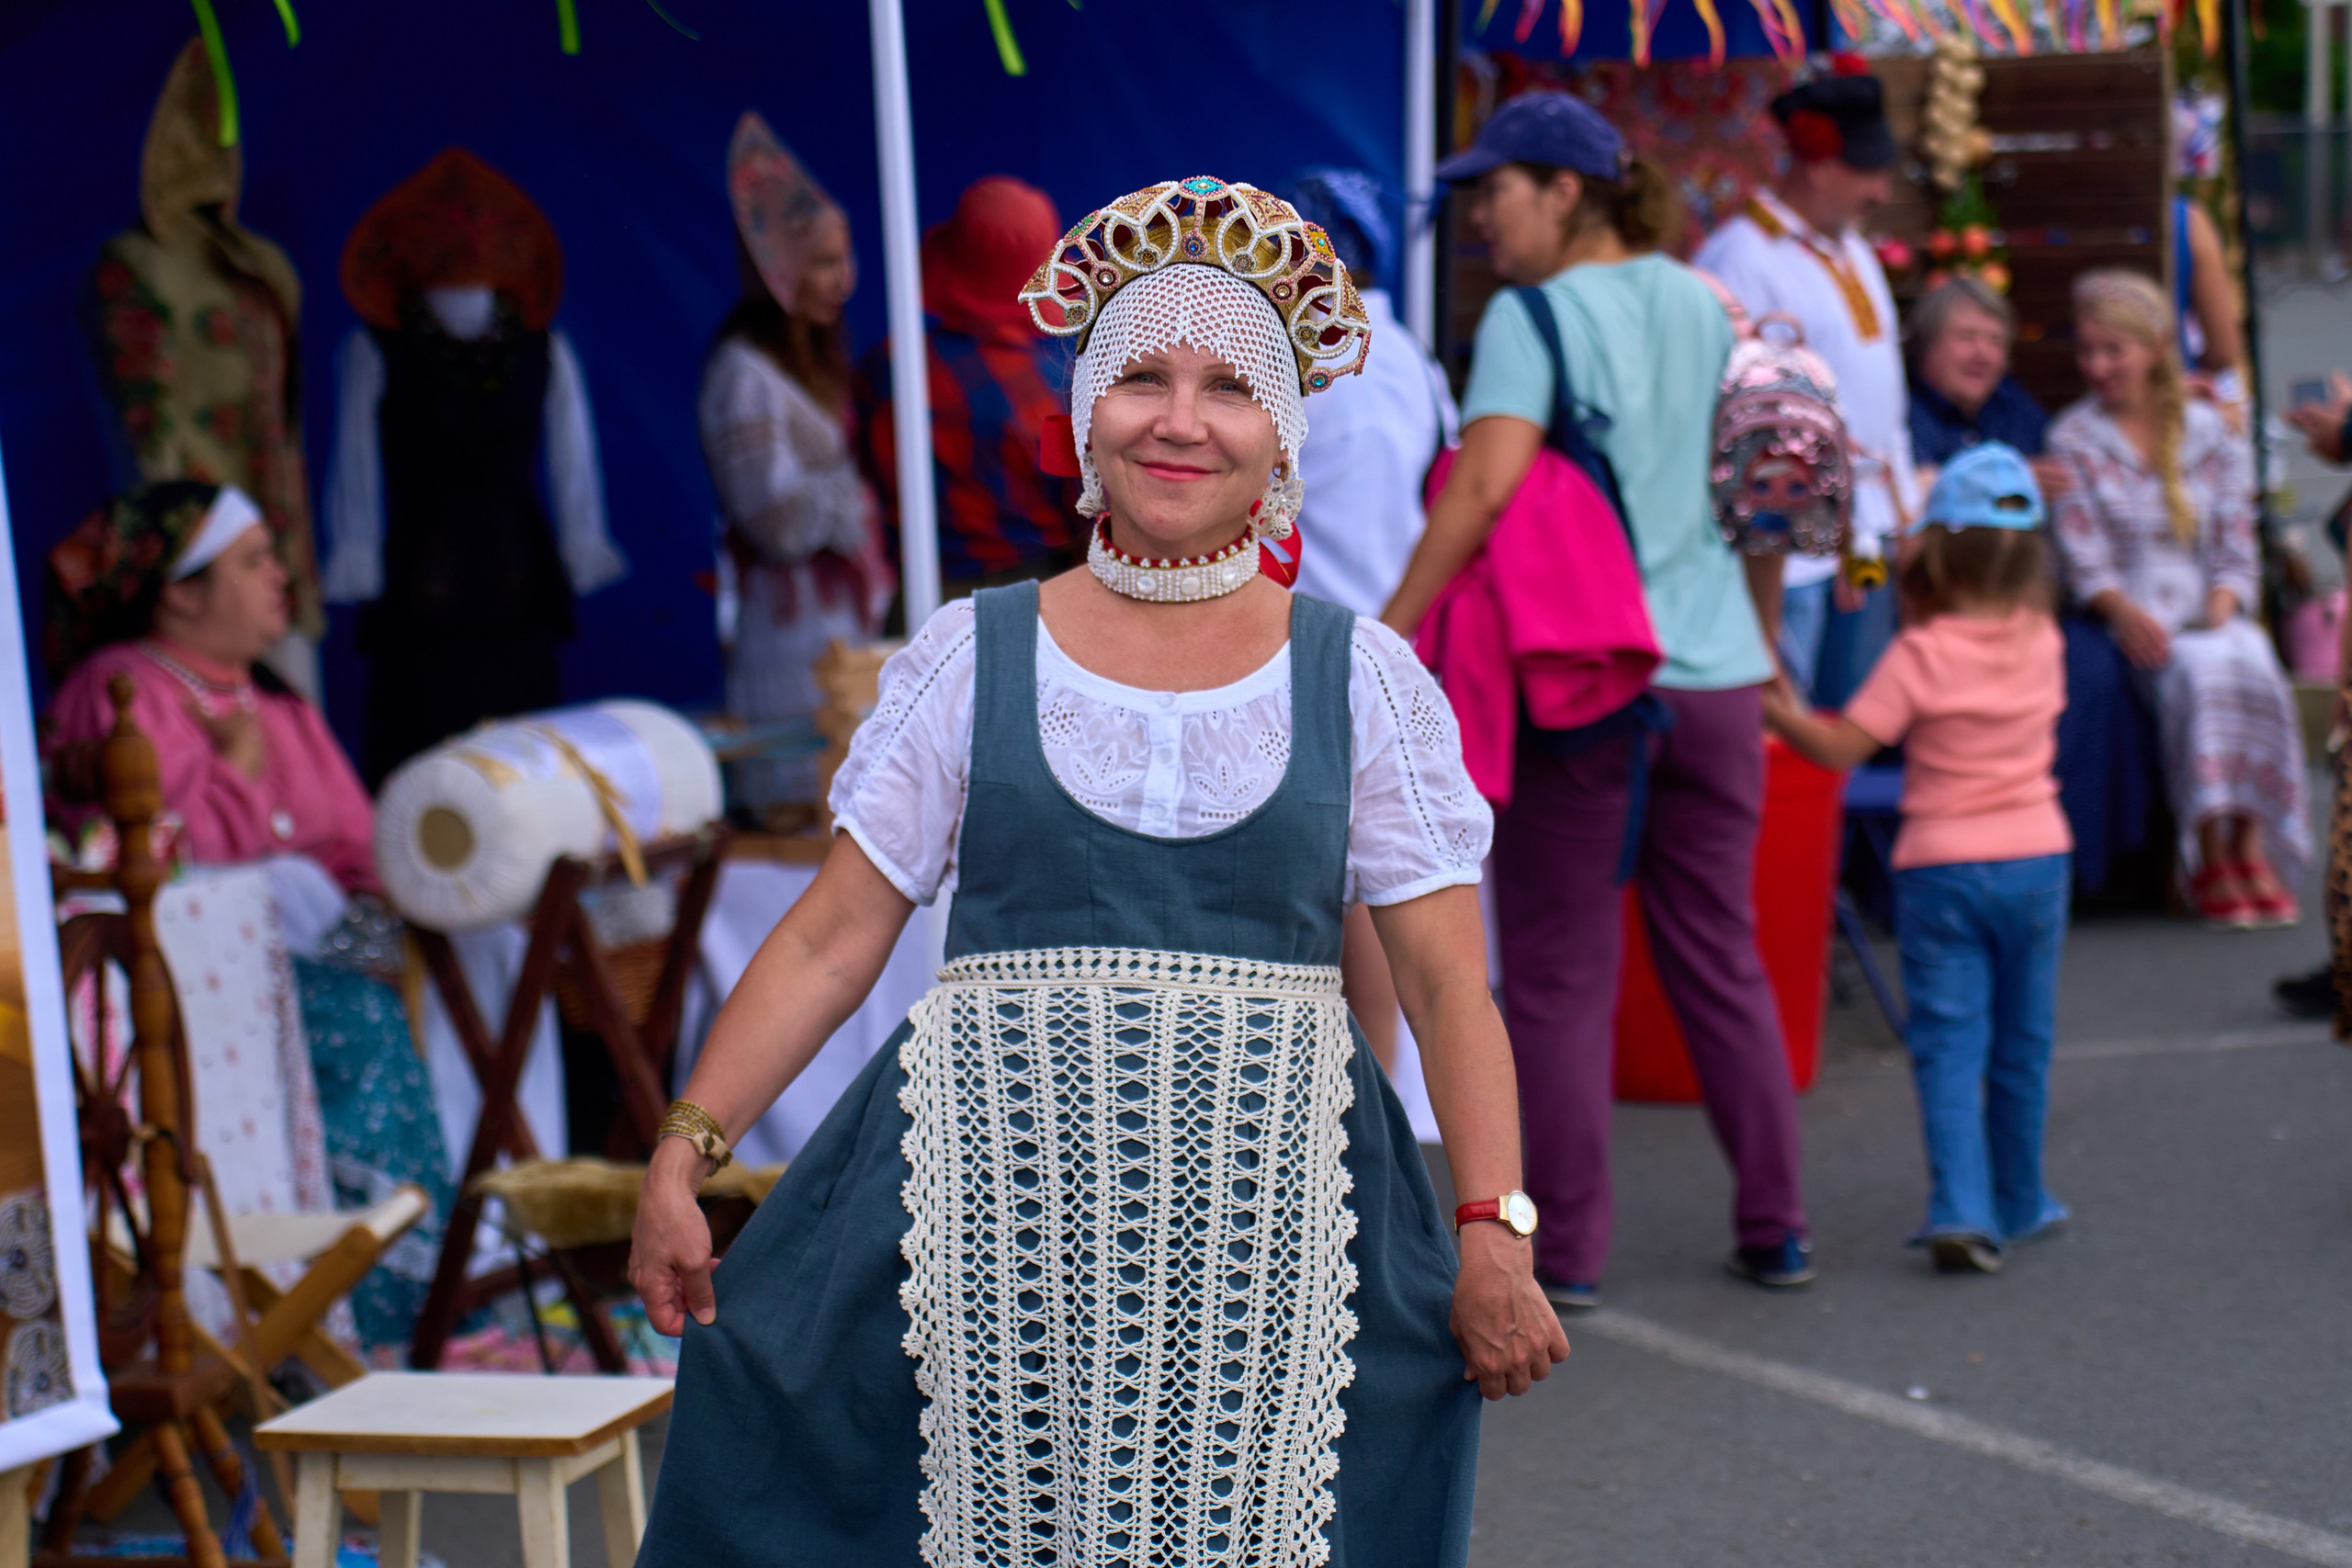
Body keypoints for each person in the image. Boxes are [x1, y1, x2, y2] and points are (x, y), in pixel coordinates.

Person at [630, 175, 1563, 1567]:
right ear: (1082, 413)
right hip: (983, 1216)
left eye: (1227, 387)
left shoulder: (1363, 676)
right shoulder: (969, 651)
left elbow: (1446, 984)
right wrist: (683, 1146)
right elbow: (835, 938)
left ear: (1282, 437)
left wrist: (1493, 1225)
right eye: (1139, 374)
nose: (1180, 418)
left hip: (1273, 1220)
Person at [1385, 93, 1811, 1308]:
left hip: (1591, 681)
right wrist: (1765, 644)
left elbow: (1478, 493)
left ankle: (1565, 1248)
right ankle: (1777, 1222)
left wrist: (1392, 626)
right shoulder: (1704, 297)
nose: (1482, 220)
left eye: (1498, 192)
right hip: (1721, 674)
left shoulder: (1533, 318)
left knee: (1561, 970)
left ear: (1564, 190)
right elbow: (1766, 482)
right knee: (1720, 951)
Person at [43, 480, 450, 1348]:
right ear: (181, 590)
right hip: (179, 989)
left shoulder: (278, 704)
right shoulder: (118, 690)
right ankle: (347, 1314)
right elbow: (134, 860)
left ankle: (410, 1296)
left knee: (426, 982)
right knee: (362, 1026)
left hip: (304, 961)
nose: (281, 578)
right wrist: (227, 771)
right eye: (254, 560)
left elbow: (358, 849)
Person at [1766, 446, 2073, 1275]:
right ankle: (2022, 1197)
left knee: (1947, 1041)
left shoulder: (1921, 654)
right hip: (2039, 858)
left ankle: (1961, 1208)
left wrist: (1778, 705)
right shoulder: (2045, 638)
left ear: (1936, 550)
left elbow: (1837, 748)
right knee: (2024, 1040)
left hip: (1940, 866)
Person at [324, 149, 628, 786]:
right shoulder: (375, 350)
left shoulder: (543, 349)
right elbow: (356, 468)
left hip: (516, 580)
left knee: (524, 754)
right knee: (421, 750)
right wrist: (357, 552)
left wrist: (582, 545)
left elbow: (575, 464)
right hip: (415, 585)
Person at [2050, 270, 2308, 928]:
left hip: (2205, 607)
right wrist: (2120, 610)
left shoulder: (2207, 431)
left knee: (2252, 663)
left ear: (2156, 347)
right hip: (2138, 614)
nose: (2098, 366)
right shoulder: (2075, 438)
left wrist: (2225, 602)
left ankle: (2252, 839)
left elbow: (2235, 535)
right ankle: (2210, 847)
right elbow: (2084, 554)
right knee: (2198, 672)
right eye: (2088, 352)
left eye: (2114, 350)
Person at [1282, 165, 1462, 1074]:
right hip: (1408, 643)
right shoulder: (1414, 359)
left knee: (1347, 885)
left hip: (1313, 647)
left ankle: (1365, 1097)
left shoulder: (1307, 359)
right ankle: (1380, 1095)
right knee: (1385, 873)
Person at [1695, 68, 1920, 705]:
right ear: (1820, 165)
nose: (1880, 188)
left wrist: (1901, 515)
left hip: (1867, 532)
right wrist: (1836, 519)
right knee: (1784, 731)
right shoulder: (1740, 258)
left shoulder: (1856, 252)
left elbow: (1882, 397)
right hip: (1788, 551)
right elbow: (1747, 424)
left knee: (1846, 728)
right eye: (1868, 170)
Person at [702, 112, 889, 811]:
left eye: (844, 257)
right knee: (805, 796)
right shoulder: (745, 373)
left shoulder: (817, 360)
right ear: (776, 272)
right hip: (789, 633)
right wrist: (854, 501)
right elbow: (775, 520)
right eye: (821, 262)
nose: (843, 278)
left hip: (840, 619)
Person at [855, 175, 1081, 600]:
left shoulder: (887, 366)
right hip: (1037, 603)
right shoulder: (1056, 388)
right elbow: (1088, 515)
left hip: (917, 602)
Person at [1905, 276, 2051, 474]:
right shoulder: (1900, 412)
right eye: (1966, 337)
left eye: (1995, 341)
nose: (1982, 355)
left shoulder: (2014, 406)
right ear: (1927, 345)